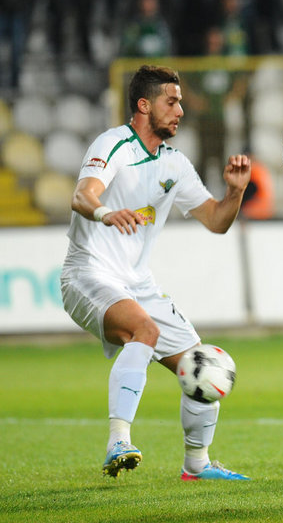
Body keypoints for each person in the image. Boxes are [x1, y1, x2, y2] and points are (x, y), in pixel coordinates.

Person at [60, 64, 251, 481]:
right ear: (144, 105)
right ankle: (118, 441)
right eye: (172, 101)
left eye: (180, 102)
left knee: (202, 364)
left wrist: (235, 193)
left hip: (137, 283)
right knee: (143, 330)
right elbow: (82, 196)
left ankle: (196, 465)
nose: (180, 110)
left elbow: (216, 220)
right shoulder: (113, 144)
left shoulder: (174, 164)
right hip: (88, 272)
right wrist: (107, 213)